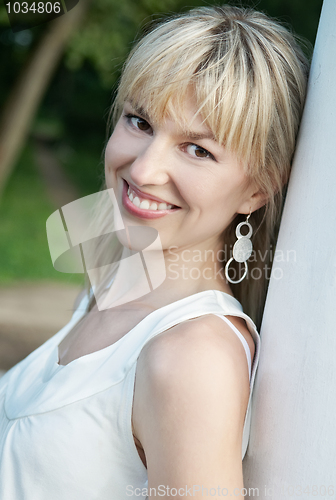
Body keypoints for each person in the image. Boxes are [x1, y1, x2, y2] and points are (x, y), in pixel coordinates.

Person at [0, 4, 309, 499]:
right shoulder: (110, 278)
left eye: (198, 149)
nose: (143, 171)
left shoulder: (193, 356)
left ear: (257, 190)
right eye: (139, 121)